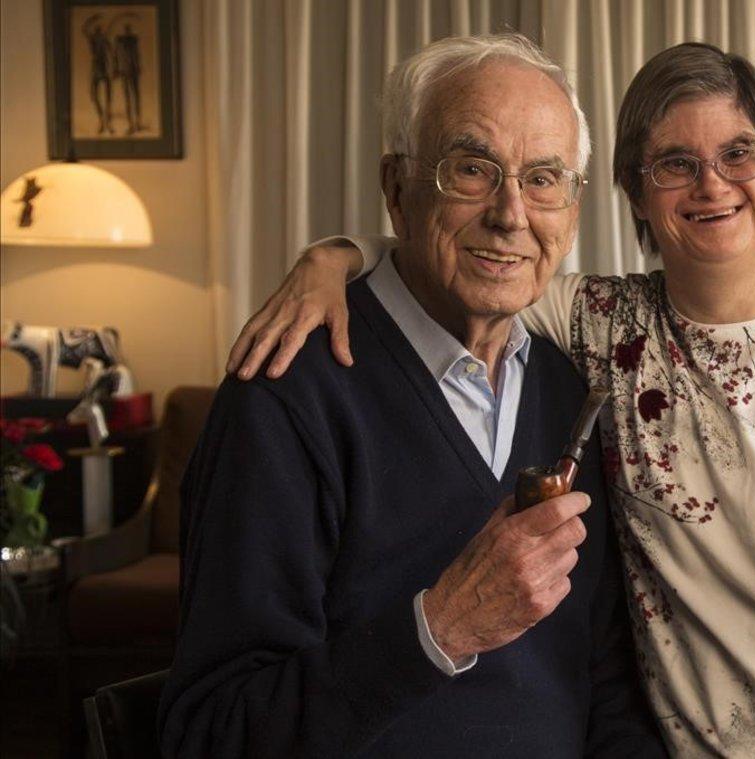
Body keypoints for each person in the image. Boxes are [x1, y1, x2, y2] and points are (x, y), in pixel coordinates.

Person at [230, 39, 755, 757]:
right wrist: (334, 257)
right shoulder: (604, 324)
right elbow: (474, 251)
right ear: (632, 194)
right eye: (674, 162)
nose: (711, 182)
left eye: (739, 152)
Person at [158, 35, 665, 758]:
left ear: (575, 204)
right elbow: (213, 731)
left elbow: (608, 683)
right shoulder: (285, 396)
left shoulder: (569, 386)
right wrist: (439, 628)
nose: (511, 213)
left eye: (544, 178)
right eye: (471, 169)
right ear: (396, 187)